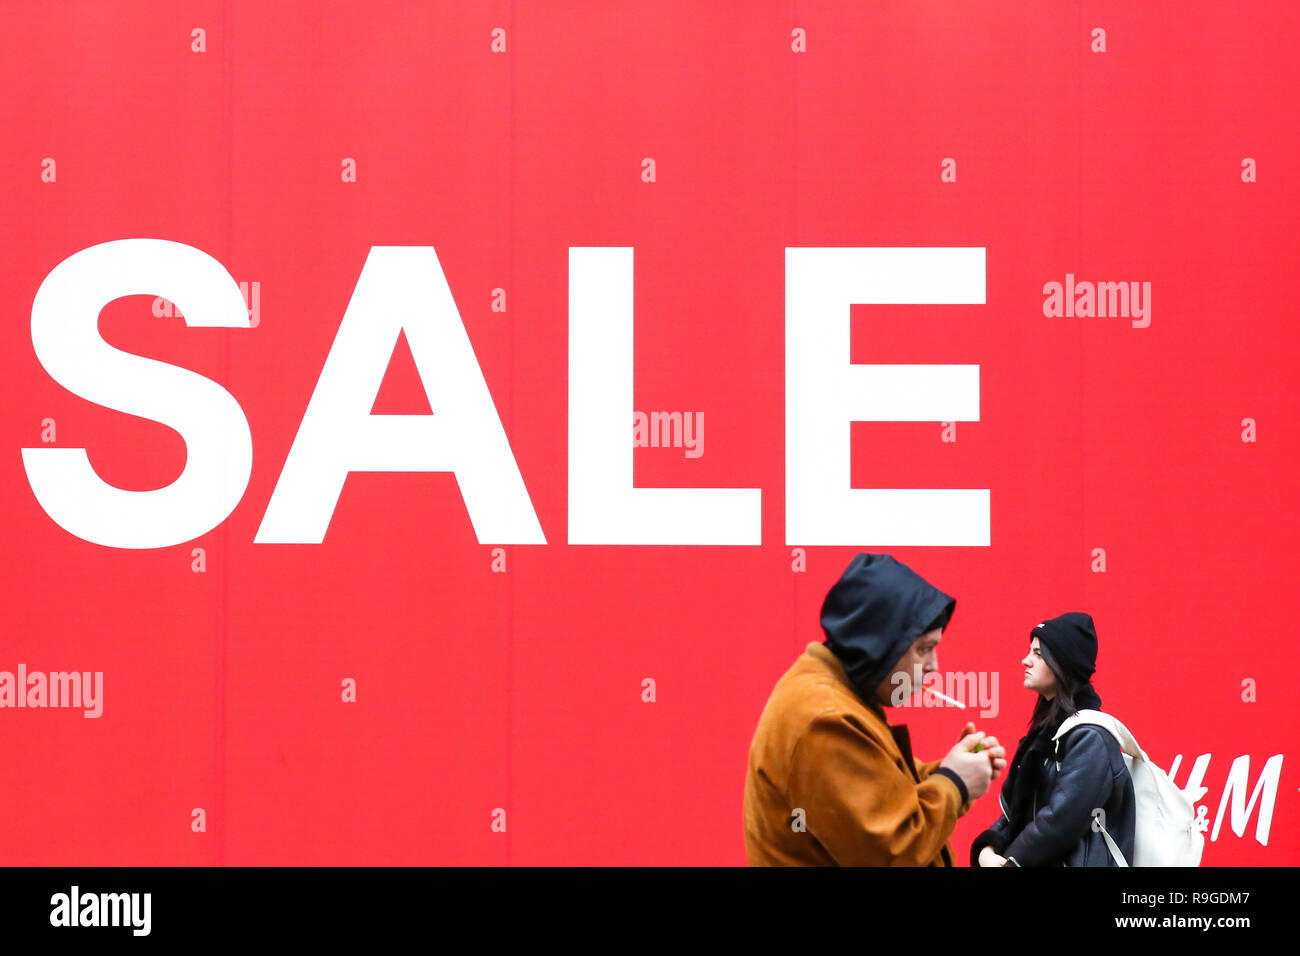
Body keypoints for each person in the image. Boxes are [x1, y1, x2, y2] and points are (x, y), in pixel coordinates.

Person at [743, 552, 1006, 866]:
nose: (934, 667)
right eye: (924, 648)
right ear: (880, 644)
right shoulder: (824, 719)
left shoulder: (833, 693)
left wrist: (950, 771)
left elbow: (880, 795)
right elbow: (892, 851)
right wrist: (954, 784)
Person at [971, 612, 1136, 867]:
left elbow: (1061, 821)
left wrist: (1009, 862)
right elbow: (1016, 813)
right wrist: (988, 847)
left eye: (1038, 654)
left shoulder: (1090, 737)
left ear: (1063, 664)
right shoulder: (1043, 734)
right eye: (1030, 652)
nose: (1025, 661)